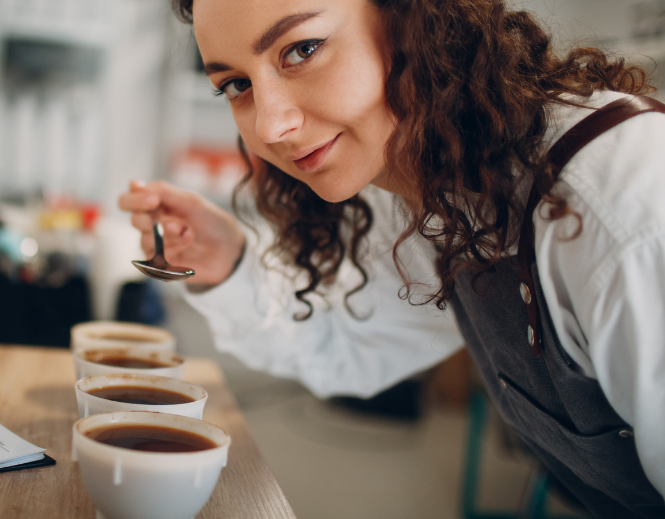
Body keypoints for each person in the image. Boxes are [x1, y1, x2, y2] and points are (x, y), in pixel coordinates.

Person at [117, 0, 665, 517]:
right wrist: (229, 261)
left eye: (302, 50)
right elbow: (347, 347)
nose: (268, 126)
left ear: (414, 20)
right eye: (236, 84)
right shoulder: (429, 188)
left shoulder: (626, 206)